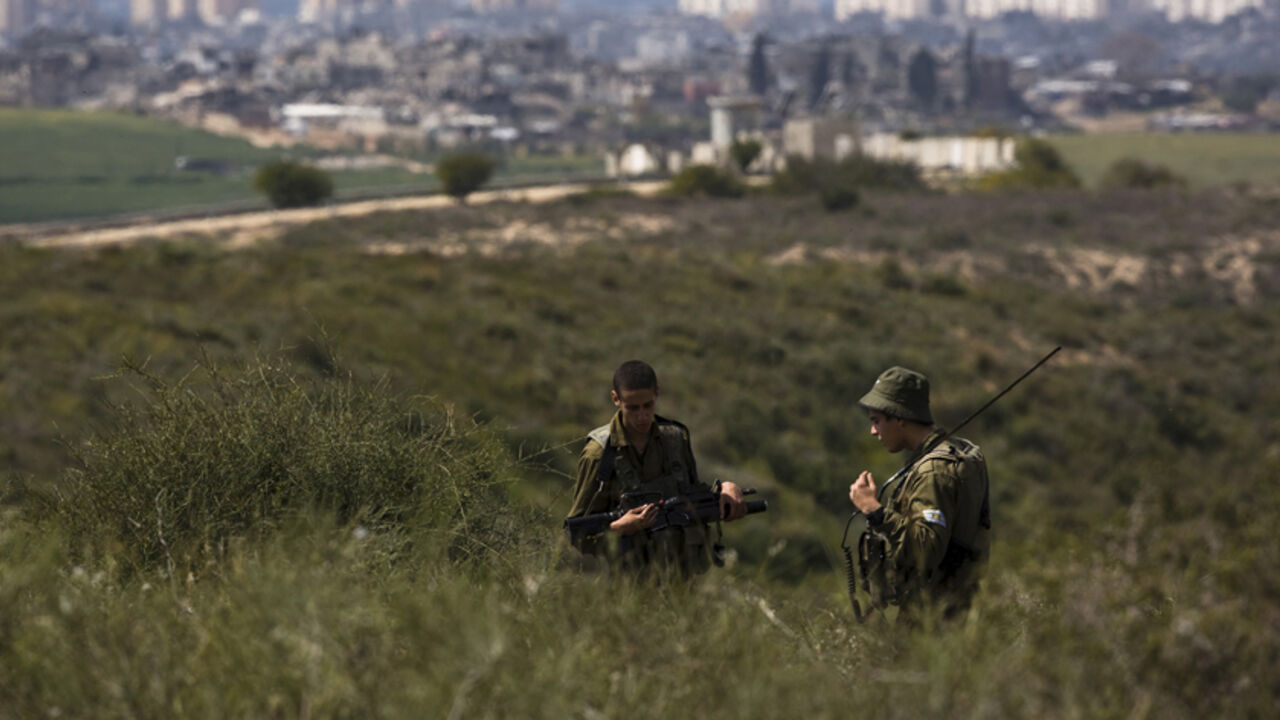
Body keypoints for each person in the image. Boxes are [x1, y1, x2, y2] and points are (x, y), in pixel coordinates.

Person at [566, 360, 747, 575]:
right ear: (616, 399)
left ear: (657, 394)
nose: (642, 416)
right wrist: (621, 527)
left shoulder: (675, 439)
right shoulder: (599, 455)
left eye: (648, 405)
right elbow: (575, 533)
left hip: (683, 580)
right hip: (628, 587)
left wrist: (725, 489)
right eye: (632, 408)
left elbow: (690, 494)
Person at [848, 366, 990, 619]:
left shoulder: (933, 471)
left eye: (876, 421)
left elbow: (926, 550)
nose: (873, 431)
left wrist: (875, 510)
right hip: (955, 608)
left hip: (933, 617)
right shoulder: (957, 453)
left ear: (900, 417)